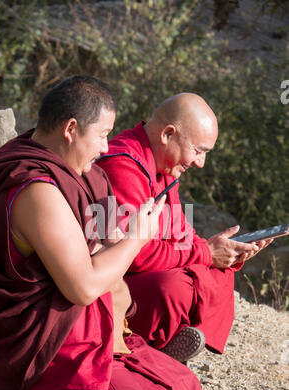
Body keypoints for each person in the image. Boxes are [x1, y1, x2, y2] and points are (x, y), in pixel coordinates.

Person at [0, 77, 209, 390]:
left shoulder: (71, 168)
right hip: (41, 354)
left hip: (81, 332)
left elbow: (103, 244)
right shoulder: (36, 190)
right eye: (103, 134)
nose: (108, 146)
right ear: (71, 130)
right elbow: (84, 287)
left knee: (186, 387)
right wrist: (138, 235)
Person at [97, 93, 272, 362]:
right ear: (168, 134)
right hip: (109, 282)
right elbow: (133, 254)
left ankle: (171, 337)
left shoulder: (164, 168)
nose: (200, 163)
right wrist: (205, 253)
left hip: (138, 271)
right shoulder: (122, 165)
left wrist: (227, 253)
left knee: (217, 273)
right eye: (198, 151)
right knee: (174, 286)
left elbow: (181, 237)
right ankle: (150, 346)